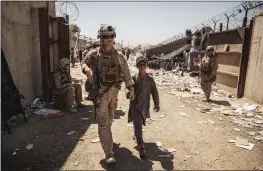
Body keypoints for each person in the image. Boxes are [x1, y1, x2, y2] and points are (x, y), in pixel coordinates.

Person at [80, 24, 135, 164]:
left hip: (114, 93)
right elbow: (83, 63)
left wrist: (131, 88)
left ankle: (108, 139)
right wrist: (87, 70)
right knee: (103, 123)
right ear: (101, 38)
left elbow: (127, 74)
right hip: (100, 93)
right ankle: (109, 153)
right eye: (105, 36)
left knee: (110, 120)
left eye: (111, 36)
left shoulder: (119, 56)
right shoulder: (94, 54)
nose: (109, 39)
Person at [128, 56, 160, 159]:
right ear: (137, 66)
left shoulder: (150, 79)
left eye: (144, 64)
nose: (142, 66)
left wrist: (157, 104)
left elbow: (154, 92)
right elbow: (128, 88)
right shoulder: (133, 78)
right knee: (138, 123)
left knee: (139, 123)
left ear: (147, 66)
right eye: (140, 64)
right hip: (135, 105)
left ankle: (137, 135)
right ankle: (141, 146)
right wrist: (129, 93)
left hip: (144, 106)